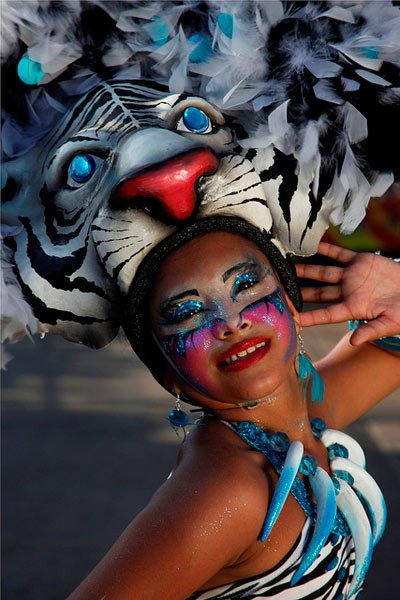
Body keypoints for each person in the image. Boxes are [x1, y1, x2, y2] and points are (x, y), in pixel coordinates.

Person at [67, 230, 400, 600]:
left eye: (245, 285)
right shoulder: (229, 489)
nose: (230, 322)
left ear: (290, 306)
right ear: (165, 375)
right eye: (188, 312)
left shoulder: (305, 414)